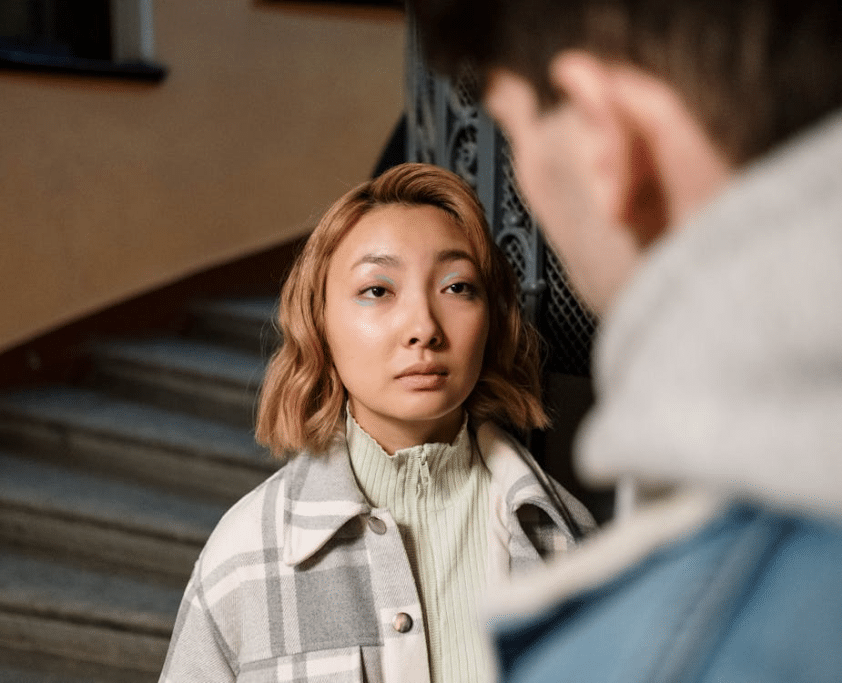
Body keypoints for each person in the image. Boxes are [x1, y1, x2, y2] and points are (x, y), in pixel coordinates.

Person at [408, 1, 842, 681]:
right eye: (376, 290)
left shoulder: (648, 648)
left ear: (600, 133)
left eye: (511, 131)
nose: (422, 328)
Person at [157, 162, 594, 683]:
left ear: (491, 320)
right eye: (377, 290)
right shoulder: (246, 557)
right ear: (319, 323)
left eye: (457, 287)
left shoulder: (569, 539)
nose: (423, 328)